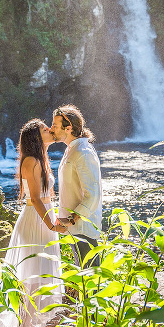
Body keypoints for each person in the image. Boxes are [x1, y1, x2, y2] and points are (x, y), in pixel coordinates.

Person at [0, 118, 64, 327]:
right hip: (35, 219)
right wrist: (51, 224)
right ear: (36, 137)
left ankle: (30, 326)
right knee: (31, 275)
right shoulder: (30, 161)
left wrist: (56, 218)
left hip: (45, 216)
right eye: (46, 129)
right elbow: (34, 198)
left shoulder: (41, 159)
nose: (50, 130)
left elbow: (48, 195)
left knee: (41, 272)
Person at [49, 104, 103, 268]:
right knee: (84, 280)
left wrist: (71, 219)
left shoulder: (83, 152)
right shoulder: (72, 149)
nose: (51, 129)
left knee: (90, 281)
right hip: (75, 229)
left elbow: (93, 195)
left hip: (84, 229)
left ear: (68, 128)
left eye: (55, 126)